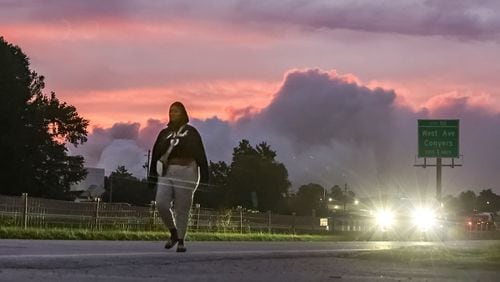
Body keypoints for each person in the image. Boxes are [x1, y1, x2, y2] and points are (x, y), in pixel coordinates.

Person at [148, 101, 209, 252]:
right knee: (161, 203)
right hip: (167, 171)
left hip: (187, 170)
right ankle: (173, 232)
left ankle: (181, 240)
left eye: (176, 111)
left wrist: (205, 176)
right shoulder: (164, 134)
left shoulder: (192, 132)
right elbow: (156, 154)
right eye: (170, 111)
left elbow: (200, 153)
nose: (172, 114)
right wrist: (152, 177)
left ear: (183, 113)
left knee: (182, 207)